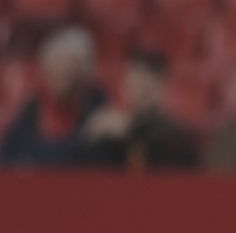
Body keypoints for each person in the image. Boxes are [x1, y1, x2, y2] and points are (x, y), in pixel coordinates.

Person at [0, 25, 105, 167]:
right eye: (57, 63)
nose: (64, 71)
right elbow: (8, 156)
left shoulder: (99, 107)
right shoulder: (33, 108)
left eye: (71, 65)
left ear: (86, 70)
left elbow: (89, 159)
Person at [82, 50, 198, 169]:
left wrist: (128, 132)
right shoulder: (110, 127)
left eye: (145, 84)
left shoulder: (175, 136)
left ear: (161, 87)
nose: (138, 91)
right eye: (133, 82)